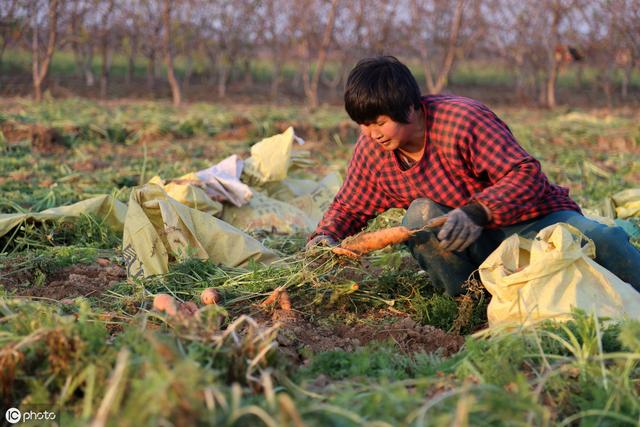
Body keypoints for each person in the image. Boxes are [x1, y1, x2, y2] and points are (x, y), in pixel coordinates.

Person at [307, 55, 640, 295]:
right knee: (419, 216)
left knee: (606, 240)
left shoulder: (463, 120)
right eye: (363, 124)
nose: (371, 133)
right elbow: (350, 206)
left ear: (409, 107)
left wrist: (477, 211)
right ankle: (469, 301)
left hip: (533, 222)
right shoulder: (372, 151)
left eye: (379, 122)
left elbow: (526, 176)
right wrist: (324, 240)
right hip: (474, 246)